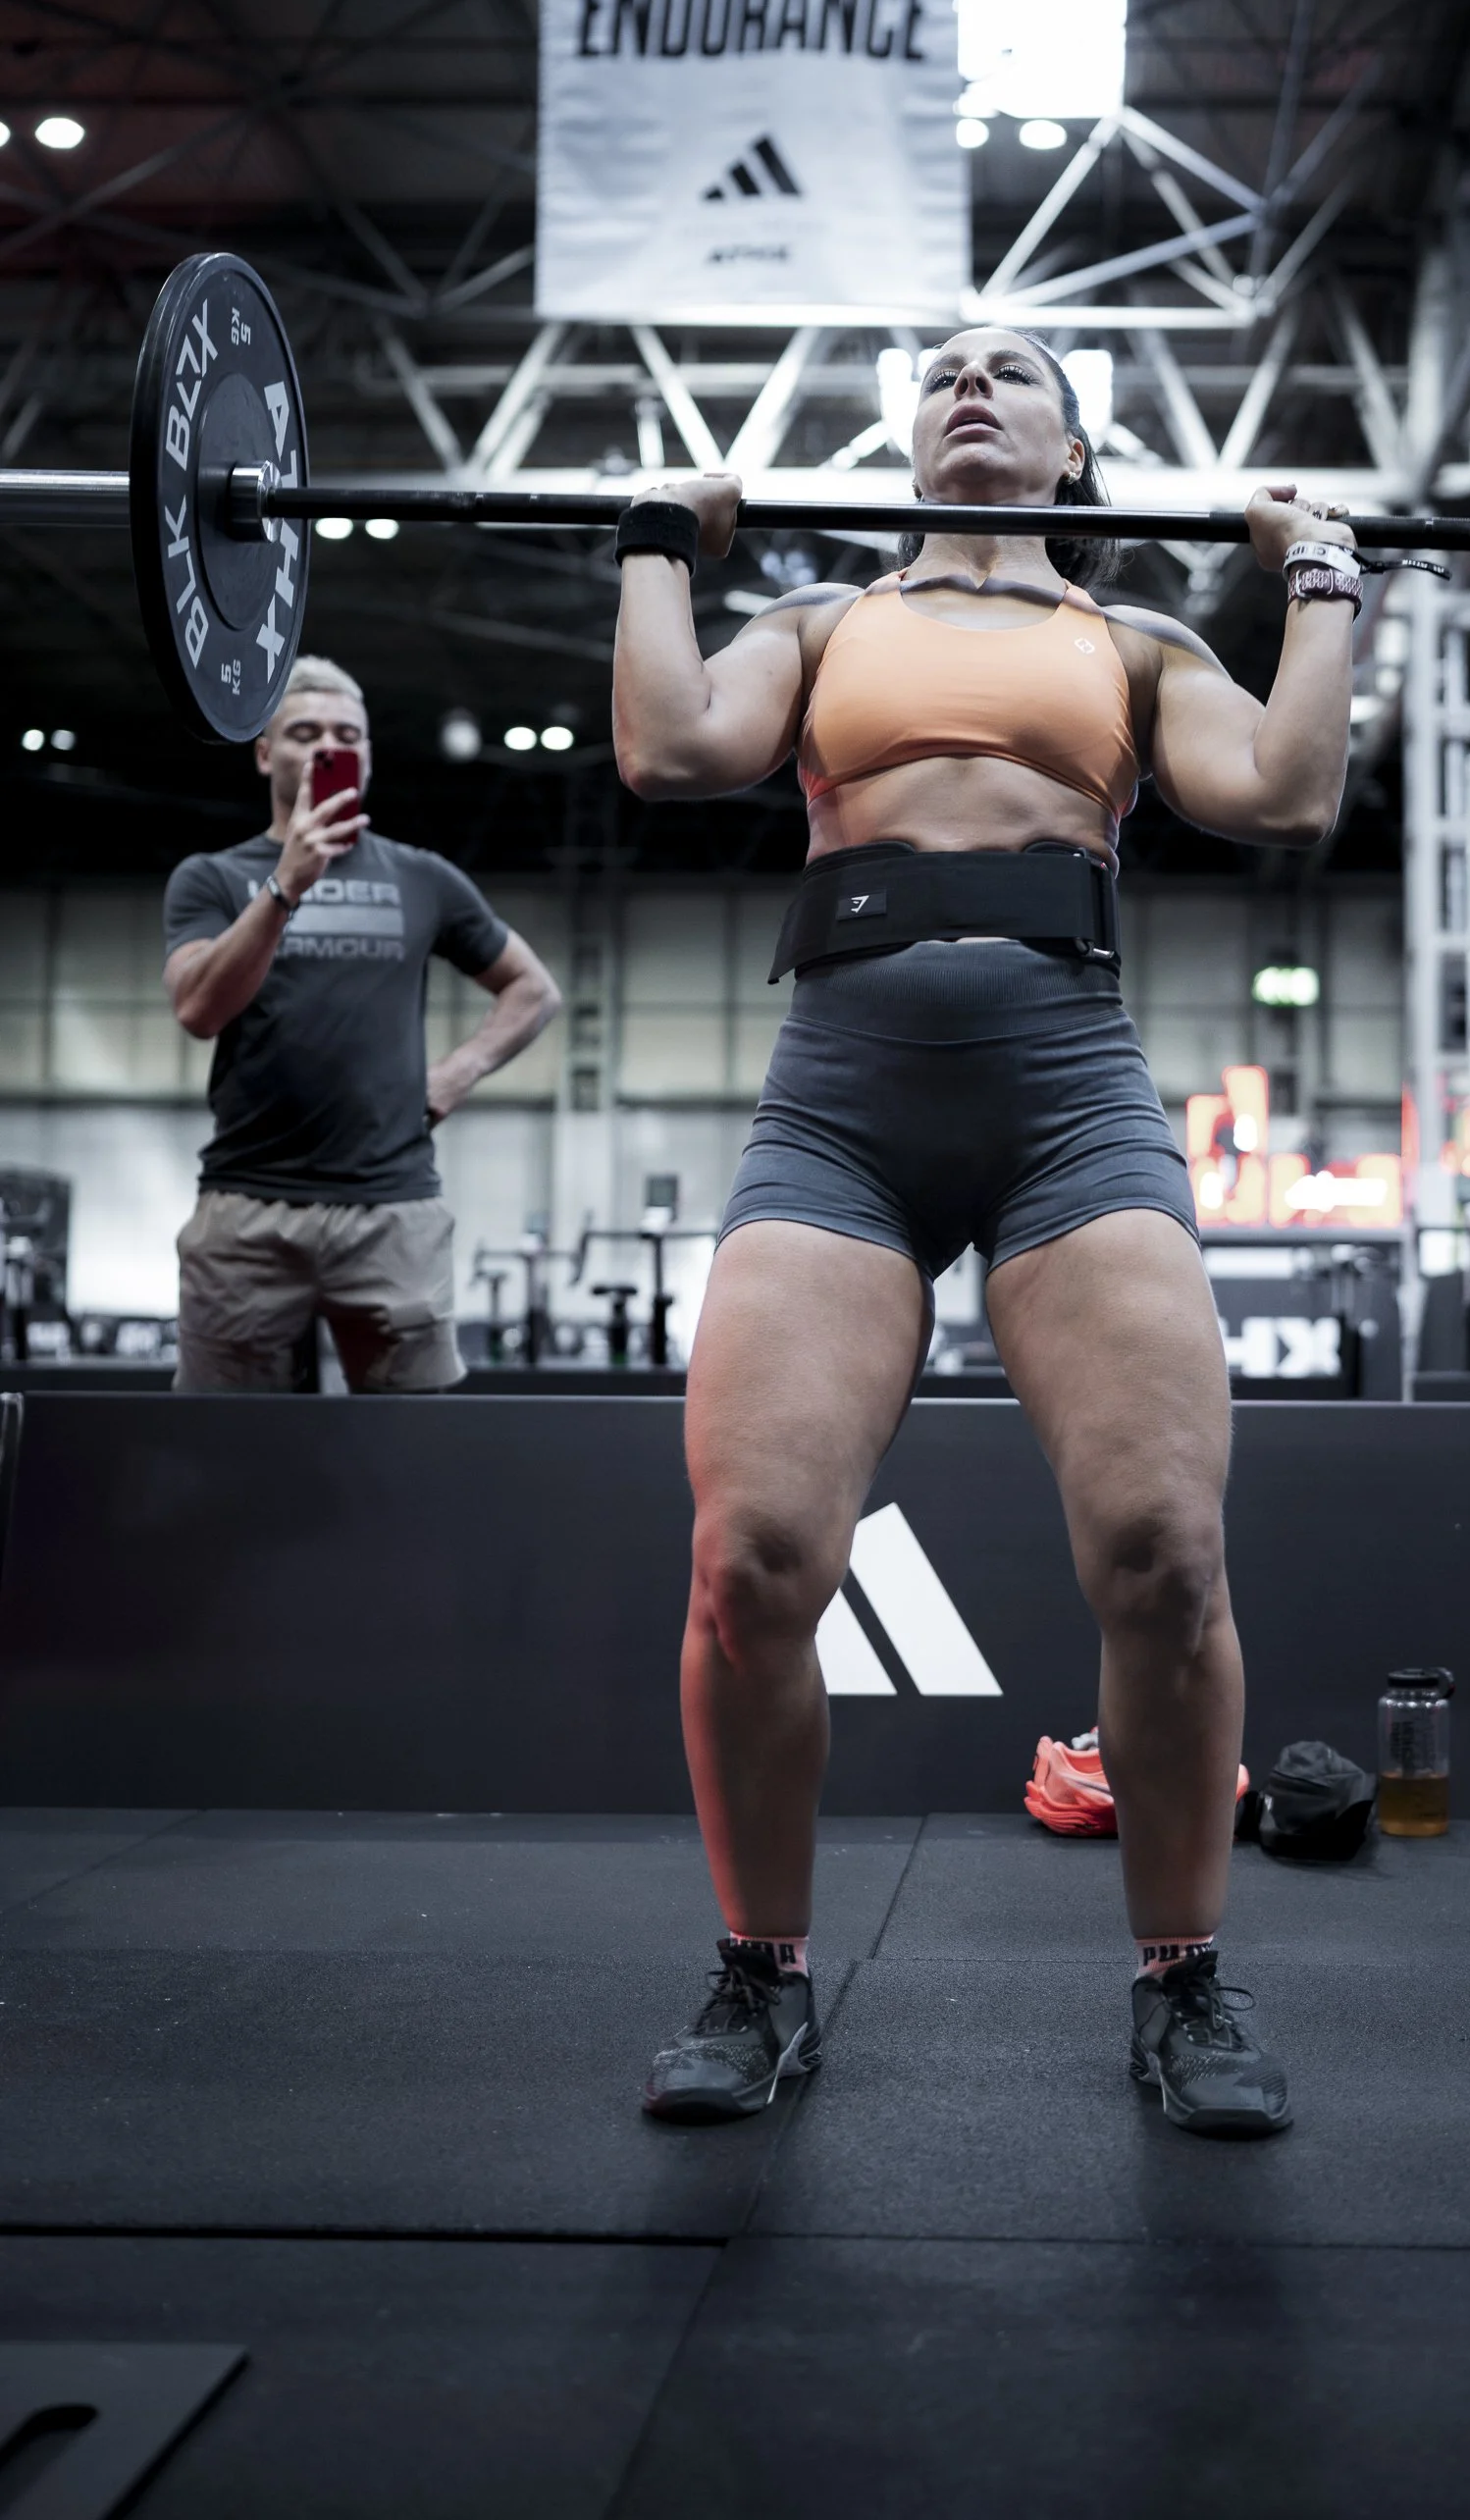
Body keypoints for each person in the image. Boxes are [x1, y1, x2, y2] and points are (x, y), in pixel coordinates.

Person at [612, 332, 1357, 2138]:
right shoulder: (812, 628)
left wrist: (1322, 572)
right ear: (905, 436)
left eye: (1012, 371)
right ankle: (759, 1975)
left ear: (1073, 444)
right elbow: (664, 745)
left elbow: (1285, 792)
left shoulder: (1134, 646)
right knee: (757, 1559)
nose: (970, 385)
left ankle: (1182, 1982)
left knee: (1166, 1554)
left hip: (1068, 1104)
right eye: (941, 370)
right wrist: (656, 542)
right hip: (838, 1108)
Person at [163, 655, 560, 1392]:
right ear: (264, 753)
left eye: (346, 735)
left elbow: (531, 990)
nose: (325, 748)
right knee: (219, 1459)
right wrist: (286, 886)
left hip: (393, 1211)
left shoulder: (423, 878)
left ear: (367, 756)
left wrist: (456, 1071)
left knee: (412, 1455)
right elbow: (197, 1008)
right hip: (247, 1212)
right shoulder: (212, 879)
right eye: (303, 732)